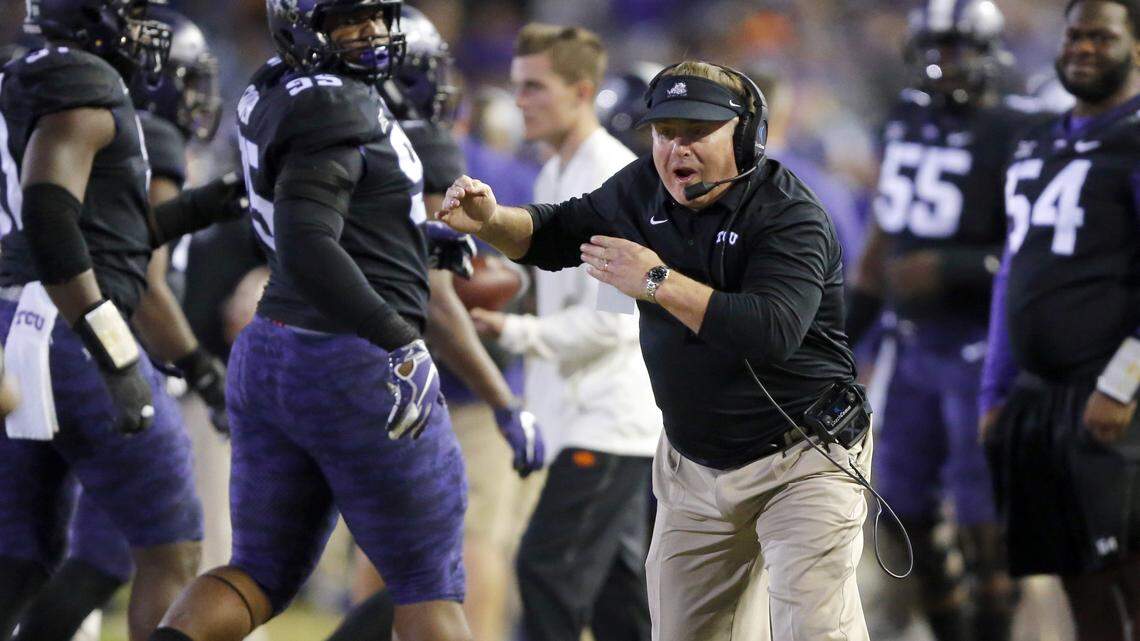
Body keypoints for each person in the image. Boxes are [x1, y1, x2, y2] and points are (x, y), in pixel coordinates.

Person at [438, 59, 872, 641]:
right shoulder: (641, 188)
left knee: (812, 631)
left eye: (696, 132)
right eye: (665, 133)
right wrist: (491, 219)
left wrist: (655, 280)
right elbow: (551, 232)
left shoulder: (790, 215)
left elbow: (771, 330)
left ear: (746, 136)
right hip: (695, 463)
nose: (676, 149)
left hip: (802, 458)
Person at [148, 2, 494, 640]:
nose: (368, 32)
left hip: (272, 349)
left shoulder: (273, 87)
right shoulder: (339, 104)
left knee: (258, 573)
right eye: (345, 20)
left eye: (375, 17)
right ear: (304, 27)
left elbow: (247, 197)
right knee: (429, 586)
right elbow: (306, 236)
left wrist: (409, 234)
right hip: (352, 356)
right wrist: (399, 342)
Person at [6, 8, 233, 641]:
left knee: (21, 558)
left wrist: (201, 207)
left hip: (17, 325)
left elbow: (108, 236)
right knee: (172, 547)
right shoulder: (84, 82)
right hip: (71, 329)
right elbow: (51, 217)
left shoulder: (20, 77)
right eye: (128, 12)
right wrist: (120, 355)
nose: (140, 28)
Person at [323, 8, 544, 641]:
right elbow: (496, 283)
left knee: (384, 544)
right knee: (472, 545)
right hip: (465, 379)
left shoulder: (335, 139)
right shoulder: (457, 158)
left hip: (377, 374)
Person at [464, 23, 660, 641]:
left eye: (535, 88)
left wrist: (512, 329)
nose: (519, 101)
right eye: (517, 87)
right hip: (580, 412)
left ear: (581, 92)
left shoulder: (610, 176)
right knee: (616, 595)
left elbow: (612, 324)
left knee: (547, 572)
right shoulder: (555, 174)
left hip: (606, 418)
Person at [845, 2, 1030, 639]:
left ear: (988, 53)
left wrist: (954, 267)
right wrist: (842, 333)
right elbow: (879, 238)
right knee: (899, 512)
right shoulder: (902, 118)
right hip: (911, 343)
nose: (944, 63)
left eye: (958, 48)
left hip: (983, 342)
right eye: (935, 47)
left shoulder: (1015, 127)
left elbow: (1039, 248)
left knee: (984, 521)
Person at [981, 1, 1140, 640]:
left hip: (1117, 397)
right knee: (1082, 586)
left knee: (1130, 572)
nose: (1082, 47)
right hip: (1040, 399)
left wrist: (1122, 381)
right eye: (1074, 34)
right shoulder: (1038, 141)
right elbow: (1015, 273)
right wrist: (995, 390)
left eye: (1101, 36)